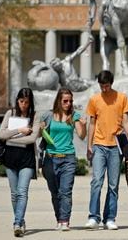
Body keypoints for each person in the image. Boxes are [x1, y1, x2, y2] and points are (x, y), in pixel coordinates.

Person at [85, 70, 128, 230]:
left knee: (113, 184)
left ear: (111, 83)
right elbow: (91, 123)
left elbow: (126, 122)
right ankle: (93, 217)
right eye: (101, 86)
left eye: (106, 86)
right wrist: (89, 145)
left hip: (116, 147)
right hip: (99, 145)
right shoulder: (94, 99)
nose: (104, 89)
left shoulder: (122, 98)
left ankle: (110, 218)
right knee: (96, 182)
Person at [41, 88, 87, 231]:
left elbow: (81, 135)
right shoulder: (48, 115)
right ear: (59, 101)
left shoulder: (74, 116)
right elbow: (38, 134)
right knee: (55, 192)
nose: (68, 103)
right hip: (50, 158)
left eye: (70, 101)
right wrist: (39, 128)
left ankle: (65, 220)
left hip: (68, 158)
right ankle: (58, 219)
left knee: (65, 191)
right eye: (65, 101)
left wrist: (84, 125)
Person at [0, 88, 41, 237]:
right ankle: (21, 221)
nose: (23, 105)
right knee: (14, 194)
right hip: (10, 159)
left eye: (26, 102)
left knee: (22, 192)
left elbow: (32, 139)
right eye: (21, 101)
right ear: (17, 100)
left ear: (30, 103)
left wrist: (10, 139)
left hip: (27, 160)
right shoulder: (10, 114)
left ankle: (17, 222)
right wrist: (19, 131)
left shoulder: (35, 116)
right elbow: (1, 134)